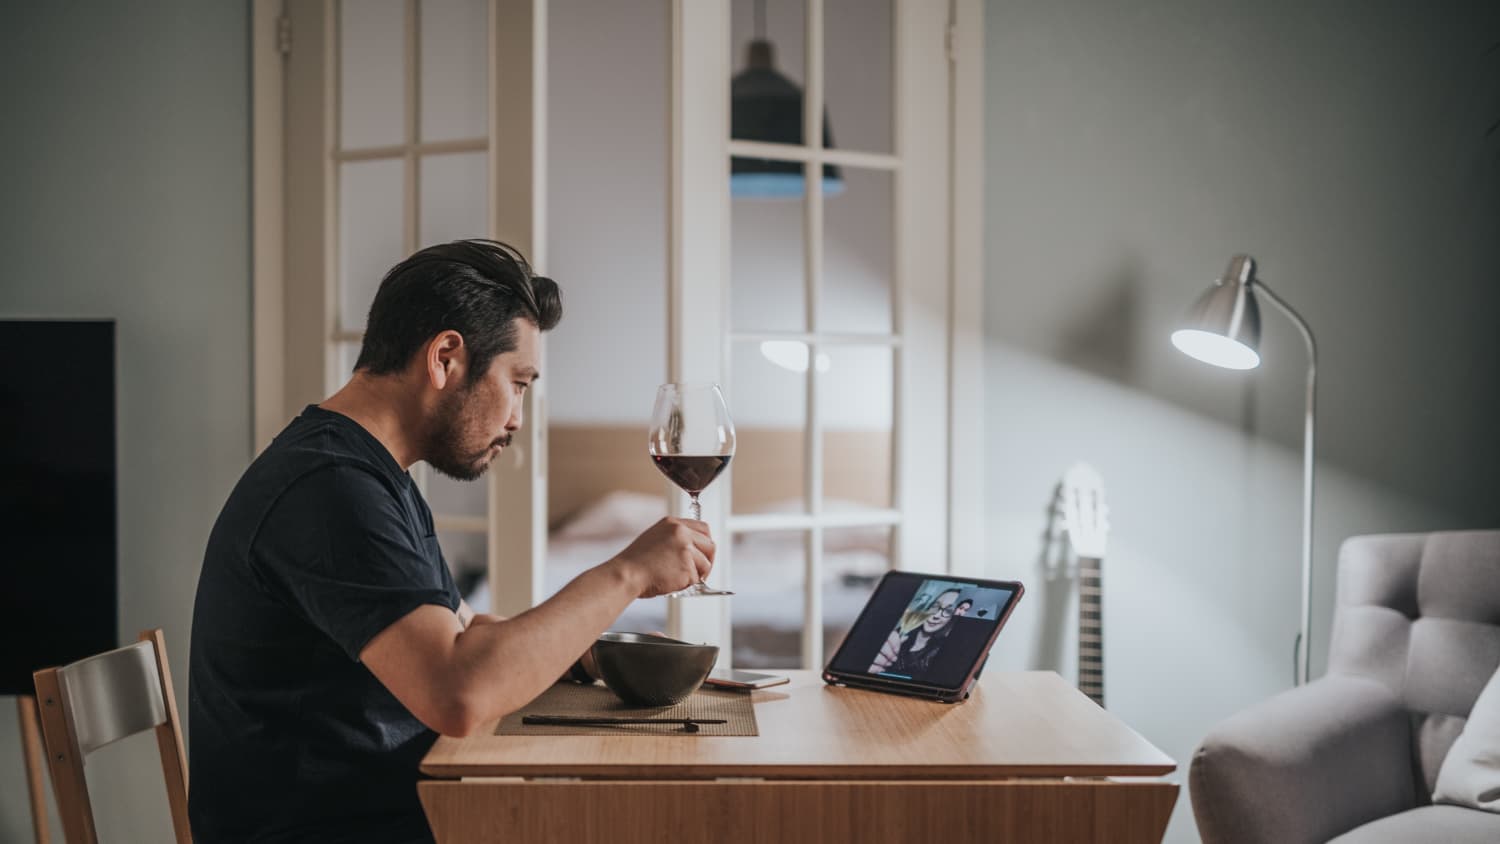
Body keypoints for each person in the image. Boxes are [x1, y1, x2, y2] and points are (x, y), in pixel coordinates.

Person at [188, 240, 716, 843]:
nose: (518, 418)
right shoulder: (332, 489)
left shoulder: (367, 473)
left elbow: (468, 634)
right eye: (518, 383)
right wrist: (626, 574)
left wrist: (587, 653)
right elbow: (459, 693)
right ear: (445, 358)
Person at [868, 587, 961, 678]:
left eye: (948, 611)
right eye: (935, 606)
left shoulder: (940, 656)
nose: (936, 615)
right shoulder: (895, 635)